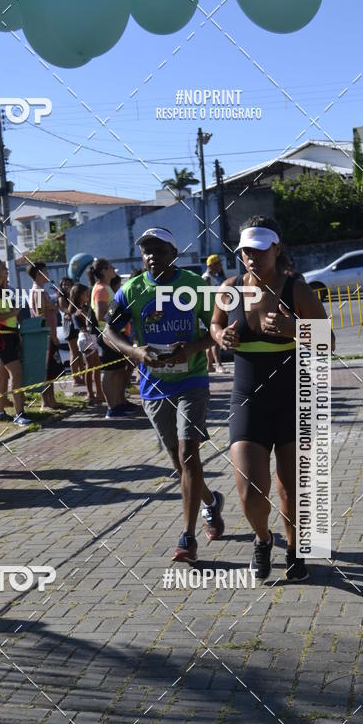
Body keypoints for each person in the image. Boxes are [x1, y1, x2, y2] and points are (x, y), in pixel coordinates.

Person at [210, 215, 335, 582]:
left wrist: (293, 329)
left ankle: (295, 548)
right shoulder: (230, 288)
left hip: (294, 400)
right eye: (246, 251)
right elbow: (215, 326)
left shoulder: (295, 288)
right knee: (249, 489)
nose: (252, 257)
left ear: (276, 249)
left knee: (291, 487)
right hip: (247, 400)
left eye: (260, 250)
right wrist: (222, 338)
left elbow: (329, 342)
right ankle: (263, 539)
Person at [103, 227, 225, 563]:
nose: (150, 255)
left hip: (192, 379)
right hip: (154, 385)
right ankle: (211, 502)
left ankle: (187, 538)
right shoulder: (132, 289)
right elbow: (109, 329)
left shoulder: (195, 286)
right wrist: (137, 353)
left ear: (174, 252)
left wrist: (194, 348)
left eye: (157, 248)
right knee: (177, 460)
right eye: (145, 250)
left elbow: (219, 329)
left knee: (189, 455)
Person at [0, 258, 30, 425]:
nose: (7, 270)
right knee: (16, 373)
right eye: (3, 268)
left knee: (2, 374)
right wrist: (14, 312)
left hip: (8, 333)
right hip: (0, 334)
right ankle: (19, 414)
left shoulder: (1, 289)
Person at [88, 258, 137, 420]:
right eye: (110, 267)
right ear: (103, 270)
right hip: (107, 335)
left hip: (115, 334)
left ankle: (119, 403)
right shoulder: (101, 289)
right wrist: (121, 315)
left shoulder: (106, 288)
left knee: (118, 370)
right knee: (110, 372)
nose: (113, 269)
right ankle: (112, 408)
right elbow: (101, 315)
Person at [29, 262, 65, 412]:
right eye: (45, 271)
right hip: (45, 336)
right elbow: (40, 316)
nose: (48, 273)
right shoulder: (37, 291)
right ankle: (45, 402)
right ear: (38, 274)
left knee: (51, 371)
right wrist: (51, 335)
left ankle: (51, 400)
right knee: (45, 371)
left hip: (50, 335)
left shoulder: (41, 290)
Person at [70, 282, 103, 404]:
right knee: (89, 366)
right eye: (85, 294)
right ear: (79, 295)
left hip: (91, 337)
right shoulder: (78, 311)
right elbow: (83, 326)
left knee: (97, 365)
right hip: (85, 338)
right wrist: (85, 314)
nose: (87, 296)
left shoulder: (86, 308)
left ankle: (99, 392)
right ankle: (90, 394)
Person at [202, 255, 226, 374]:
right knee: (216, 339)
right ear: (211, 265)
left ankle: (209, 365)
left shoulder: (214, 277)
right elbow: (204, 297)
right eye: (218, 263)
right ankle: (219, 365)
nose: (221, 266)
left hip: (214, 311)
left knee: (211, 339)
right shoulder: (207, 278)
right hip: (210, 312)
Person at [58, 275, 83, 386]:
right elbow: (67, 311)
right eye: (64, 285)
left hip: (78, 324)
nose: (66, 286)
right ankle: (75, 378)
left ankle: (83, 375)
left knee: (80, 352)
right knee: (73, 352)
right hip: (69, 326)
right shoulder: (62, 299)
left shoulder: (76, 298)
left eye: (68, 284)